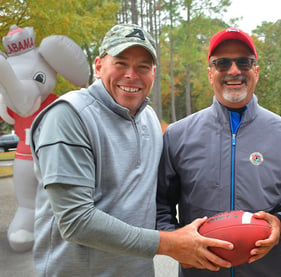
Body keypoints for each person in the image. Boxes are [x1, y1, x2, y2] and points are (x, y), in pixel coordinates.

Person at [30, 23, 233, 276]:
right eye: (121, 63)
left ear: (154, 73)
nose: (131, 75)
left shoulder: (147, 117)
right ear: (98, 65)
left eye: (143, 67)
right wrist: (170, 244)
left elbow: (182, 173)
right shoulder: (69, 115)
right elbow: (75, 221)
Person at [156, 27, 281, 276]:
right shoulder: (178, 136)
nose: (234, 71)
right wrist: (175, 240)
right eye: (222, 63)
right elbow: (159, 205)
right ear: (211, 73)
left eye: (244, 62)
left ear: (256, 71)